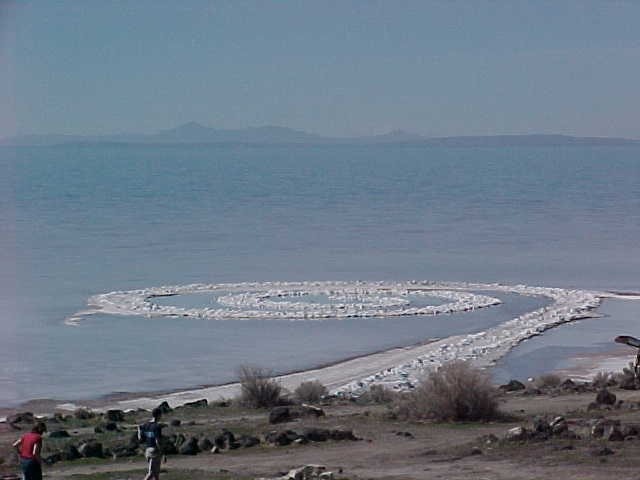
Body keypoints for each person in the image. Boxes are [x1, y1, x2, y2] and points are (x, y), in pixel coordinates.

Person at [138, 407, 164, 480]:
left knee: (156, 474)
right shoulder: (157, 426)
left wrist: (139, 431)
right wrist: (162, 453)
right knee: (151, 473)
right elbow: (157, 441)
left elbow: (140, 438)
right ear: (158, 415)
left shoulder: (146, 425)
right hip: (155, 451)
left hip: (147, 450)